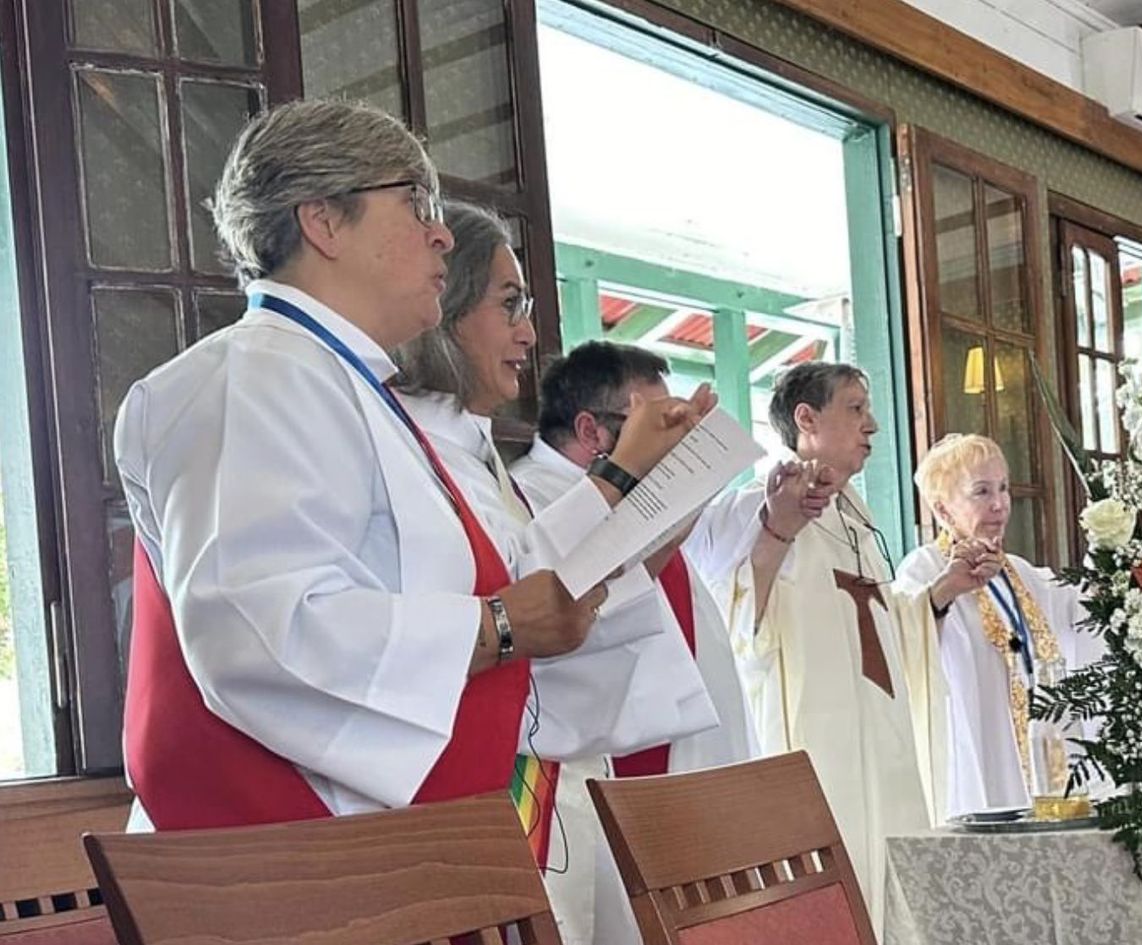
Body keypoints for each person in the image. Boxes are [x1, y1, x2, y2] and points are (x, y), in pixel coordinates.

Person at [112, 101, 689, 833]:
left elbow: (511, 576)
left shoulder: (353, 389)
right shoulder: (251, 377)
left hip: (383, 844)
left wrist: (618, 493)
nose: (442, 231)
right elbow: (261, 632)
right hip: (284, 859)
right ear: (322, 221)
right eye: (416, 201)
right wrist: (501, 625)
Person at [682, 361, 994, 931]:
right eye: (855, 408)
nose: (872, 424)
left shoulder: (856, 520)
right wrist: (777, 528)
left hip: (882, 738)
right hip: (815, 744)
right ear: (807, 418)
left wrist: (945, 587)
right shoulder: (751, 504)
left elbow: (880, 625)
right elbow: (734, 614)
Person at [508, 340, 754, 945]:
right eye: (657, 426)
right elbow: (581, 618)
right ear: (593, 431)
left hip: (686, 758)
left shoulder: (636, 497)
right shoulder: (528, 498)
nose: (676, 444)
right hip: (584, 782)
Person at [895, 434, 1103, 818]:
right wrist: (947, 590)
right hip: (979, 743)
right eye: (981, 492)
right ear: (943, 510)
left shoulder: (1020, 572)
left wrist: (1108, 546)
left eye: (1004, 488)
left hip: (1039, 746)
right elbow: (906, 639)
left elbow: (1080, 611)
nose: (999, 504)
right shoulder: (924, 568)